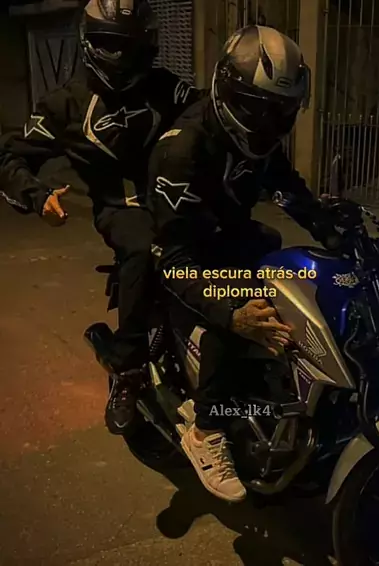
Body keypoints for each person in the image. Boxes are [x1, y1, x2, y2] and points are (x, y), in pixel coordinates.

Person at [148, 25, 342, 503]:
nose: (271, 124)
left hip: (229, 238)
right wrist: (232, 314)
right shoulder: (182, 150)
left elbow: (290, 191)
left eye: (282, 112)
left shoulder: (261, 137)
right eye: (260, 109)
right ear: (229, 93)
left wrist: (339, 233)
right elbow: (173, 257)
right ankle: (207, 429)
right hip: (186, 253)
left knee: (302, 280)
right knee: (247, 312)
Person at [0, 0, 203, 435]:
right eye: (112, 44)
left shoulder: (168, 89)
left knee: (255, 241)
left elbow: (210, 117)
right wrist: (36, 196)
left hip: (181, 200)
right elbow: (10, 157)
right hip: (123, 207)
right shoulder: (65, 105)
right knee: (144, 248)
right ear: (90, 42)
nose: (123, 56)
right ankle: (128, 370)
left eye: (133, 46)